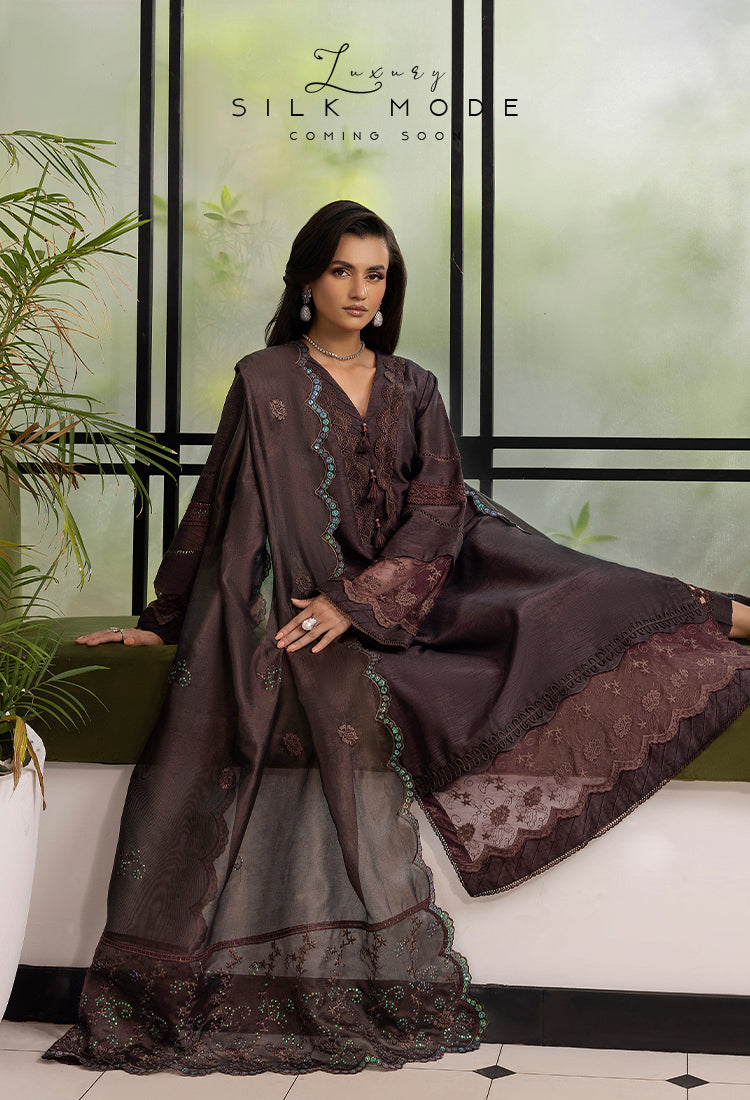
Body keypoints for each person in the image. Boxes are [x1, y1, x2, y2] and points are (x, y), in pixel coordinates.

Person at [45, 200, 750, 1076]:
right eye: (342, 270)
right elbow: (217, 504)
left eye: (375, 274)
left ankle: (734, 613)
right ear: (308, 280)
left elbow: (441, 504)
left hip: (434, 573)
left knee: (581, 590)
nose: (359, 290)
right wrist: (165, 621)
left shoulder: (413, 384)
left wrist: (363, 598)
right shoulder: (265, 380)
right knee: (481, 635)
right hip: (324, 592)